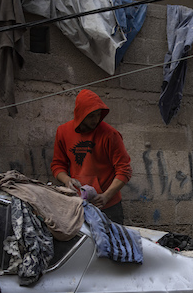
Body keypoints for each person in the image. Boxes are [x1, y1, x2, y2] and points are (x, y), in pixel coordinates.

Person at [51, 89, 132, 224]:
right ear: (80, 114)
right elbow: (57, 165)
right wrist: (67, 180)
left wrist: (106, 196)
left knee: (113, 244)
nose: (95, 120)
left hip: (108, 205)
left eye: (98, 115)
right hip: (78, 203)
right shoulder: (63, 132)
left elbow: (124, 170)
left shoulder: (110, 134)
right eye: (91, 116)